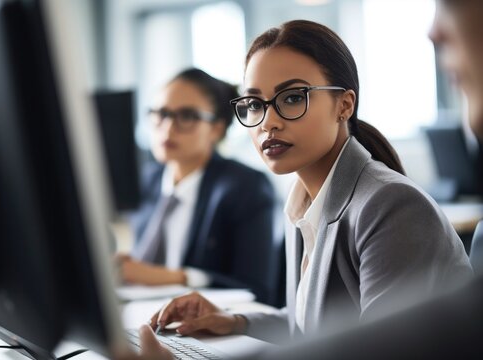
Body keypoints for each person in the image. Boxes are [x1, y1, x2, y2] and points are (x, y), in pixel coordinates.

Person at [130, 1, 483, 358]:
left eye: (293, 97)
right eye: (255, 104)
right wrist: (234, 321)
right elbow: (310, 327)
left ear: (344, 105)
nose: (268, 121)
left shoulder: (389, 204)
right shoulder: (304, 202)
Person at [116, 68, 284, 306]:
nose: (168, 127)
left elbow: (256, 287)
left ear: (216, 128)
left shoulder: (245, 187)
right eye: (161, 114)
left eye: (186, 116)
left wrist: (174, 278)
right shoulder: (149, 179)